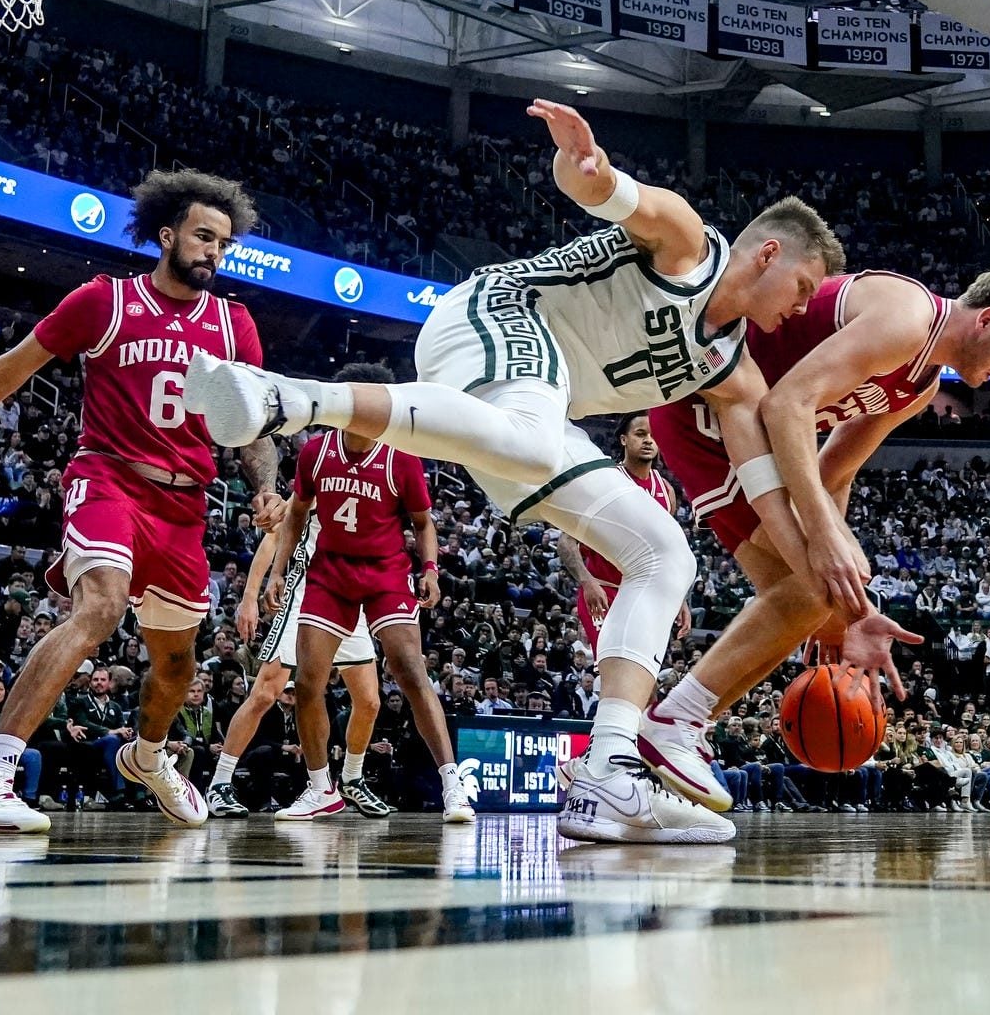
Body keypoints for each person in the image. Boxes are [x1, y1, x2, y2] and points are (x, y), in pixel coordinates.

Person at [187, 99, 840, 845]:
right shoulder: (691, 243)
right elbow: (620, 197)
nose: (799, 310)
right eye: (801, 289)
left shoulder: (736, 374)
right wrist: (585, 171)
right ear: (768, 256)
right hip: (499, 313)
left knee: (664, 551)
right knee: (532, 436)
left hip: (525, 401)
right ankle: (284, 396)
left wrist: (827, 586)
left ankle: (608, 771)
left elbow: (766, 494)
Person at [0, 170, 278, 834]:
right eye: (203, 236)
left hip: (185, 506)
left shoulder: (233, 323)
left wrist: (267, 488)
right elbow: (12, 369)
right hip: (109, 478)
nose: (215, 251)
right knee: (101, 606)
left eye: (224, 241)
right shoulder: (104, 302)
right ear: (166, 235)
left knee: (176, 663)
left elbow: (251, 425)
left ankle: (149, 756)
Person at [642, 268, 990, 809]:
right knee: (820, 585)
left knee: (817, 602)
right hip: (708, 410)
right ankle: (673, 721)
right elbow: (786, 405)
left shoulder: (921, 384)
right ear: (986, 320)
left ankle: (649, 755)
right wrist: (823, 541)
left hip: (744, 433)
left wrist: (845, 592)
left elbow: (835, 472)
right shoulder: (908, 317)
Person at [259, 413, 468, 823]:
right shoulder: (316, 452)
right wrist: (278, 570)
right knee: (305, 682)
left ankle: (452, 783)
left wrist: (429, 569)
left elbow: (423, 523)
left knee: (409, 670)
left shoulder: (400, 457)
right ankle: (321, 788)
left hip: (385, 572)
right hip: (331, 573)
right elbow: (296, 513)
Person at [205, 378, 393, 821]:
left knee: (368, 701)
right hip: (307, 593)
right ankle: (219, 783)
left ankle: (351, 778)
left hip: (353, 597)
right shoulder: (320, 470)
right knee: (267, 690)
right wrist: (250, 597)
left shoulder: (383, 472)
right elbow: (273, 541)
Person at [560, 413, 687, 669]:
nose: (649, 440)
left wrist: (679, 598)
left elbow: (668, 554)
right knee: (613, 671)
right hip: (603, 591)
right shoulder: (605, 481)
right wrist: (587, 582)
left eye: (653, 435)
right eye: (640, 434)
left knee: (643, 682)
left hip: (643, 598)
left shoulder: (667, 491)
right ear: (623, 439)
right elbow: (566, 542)